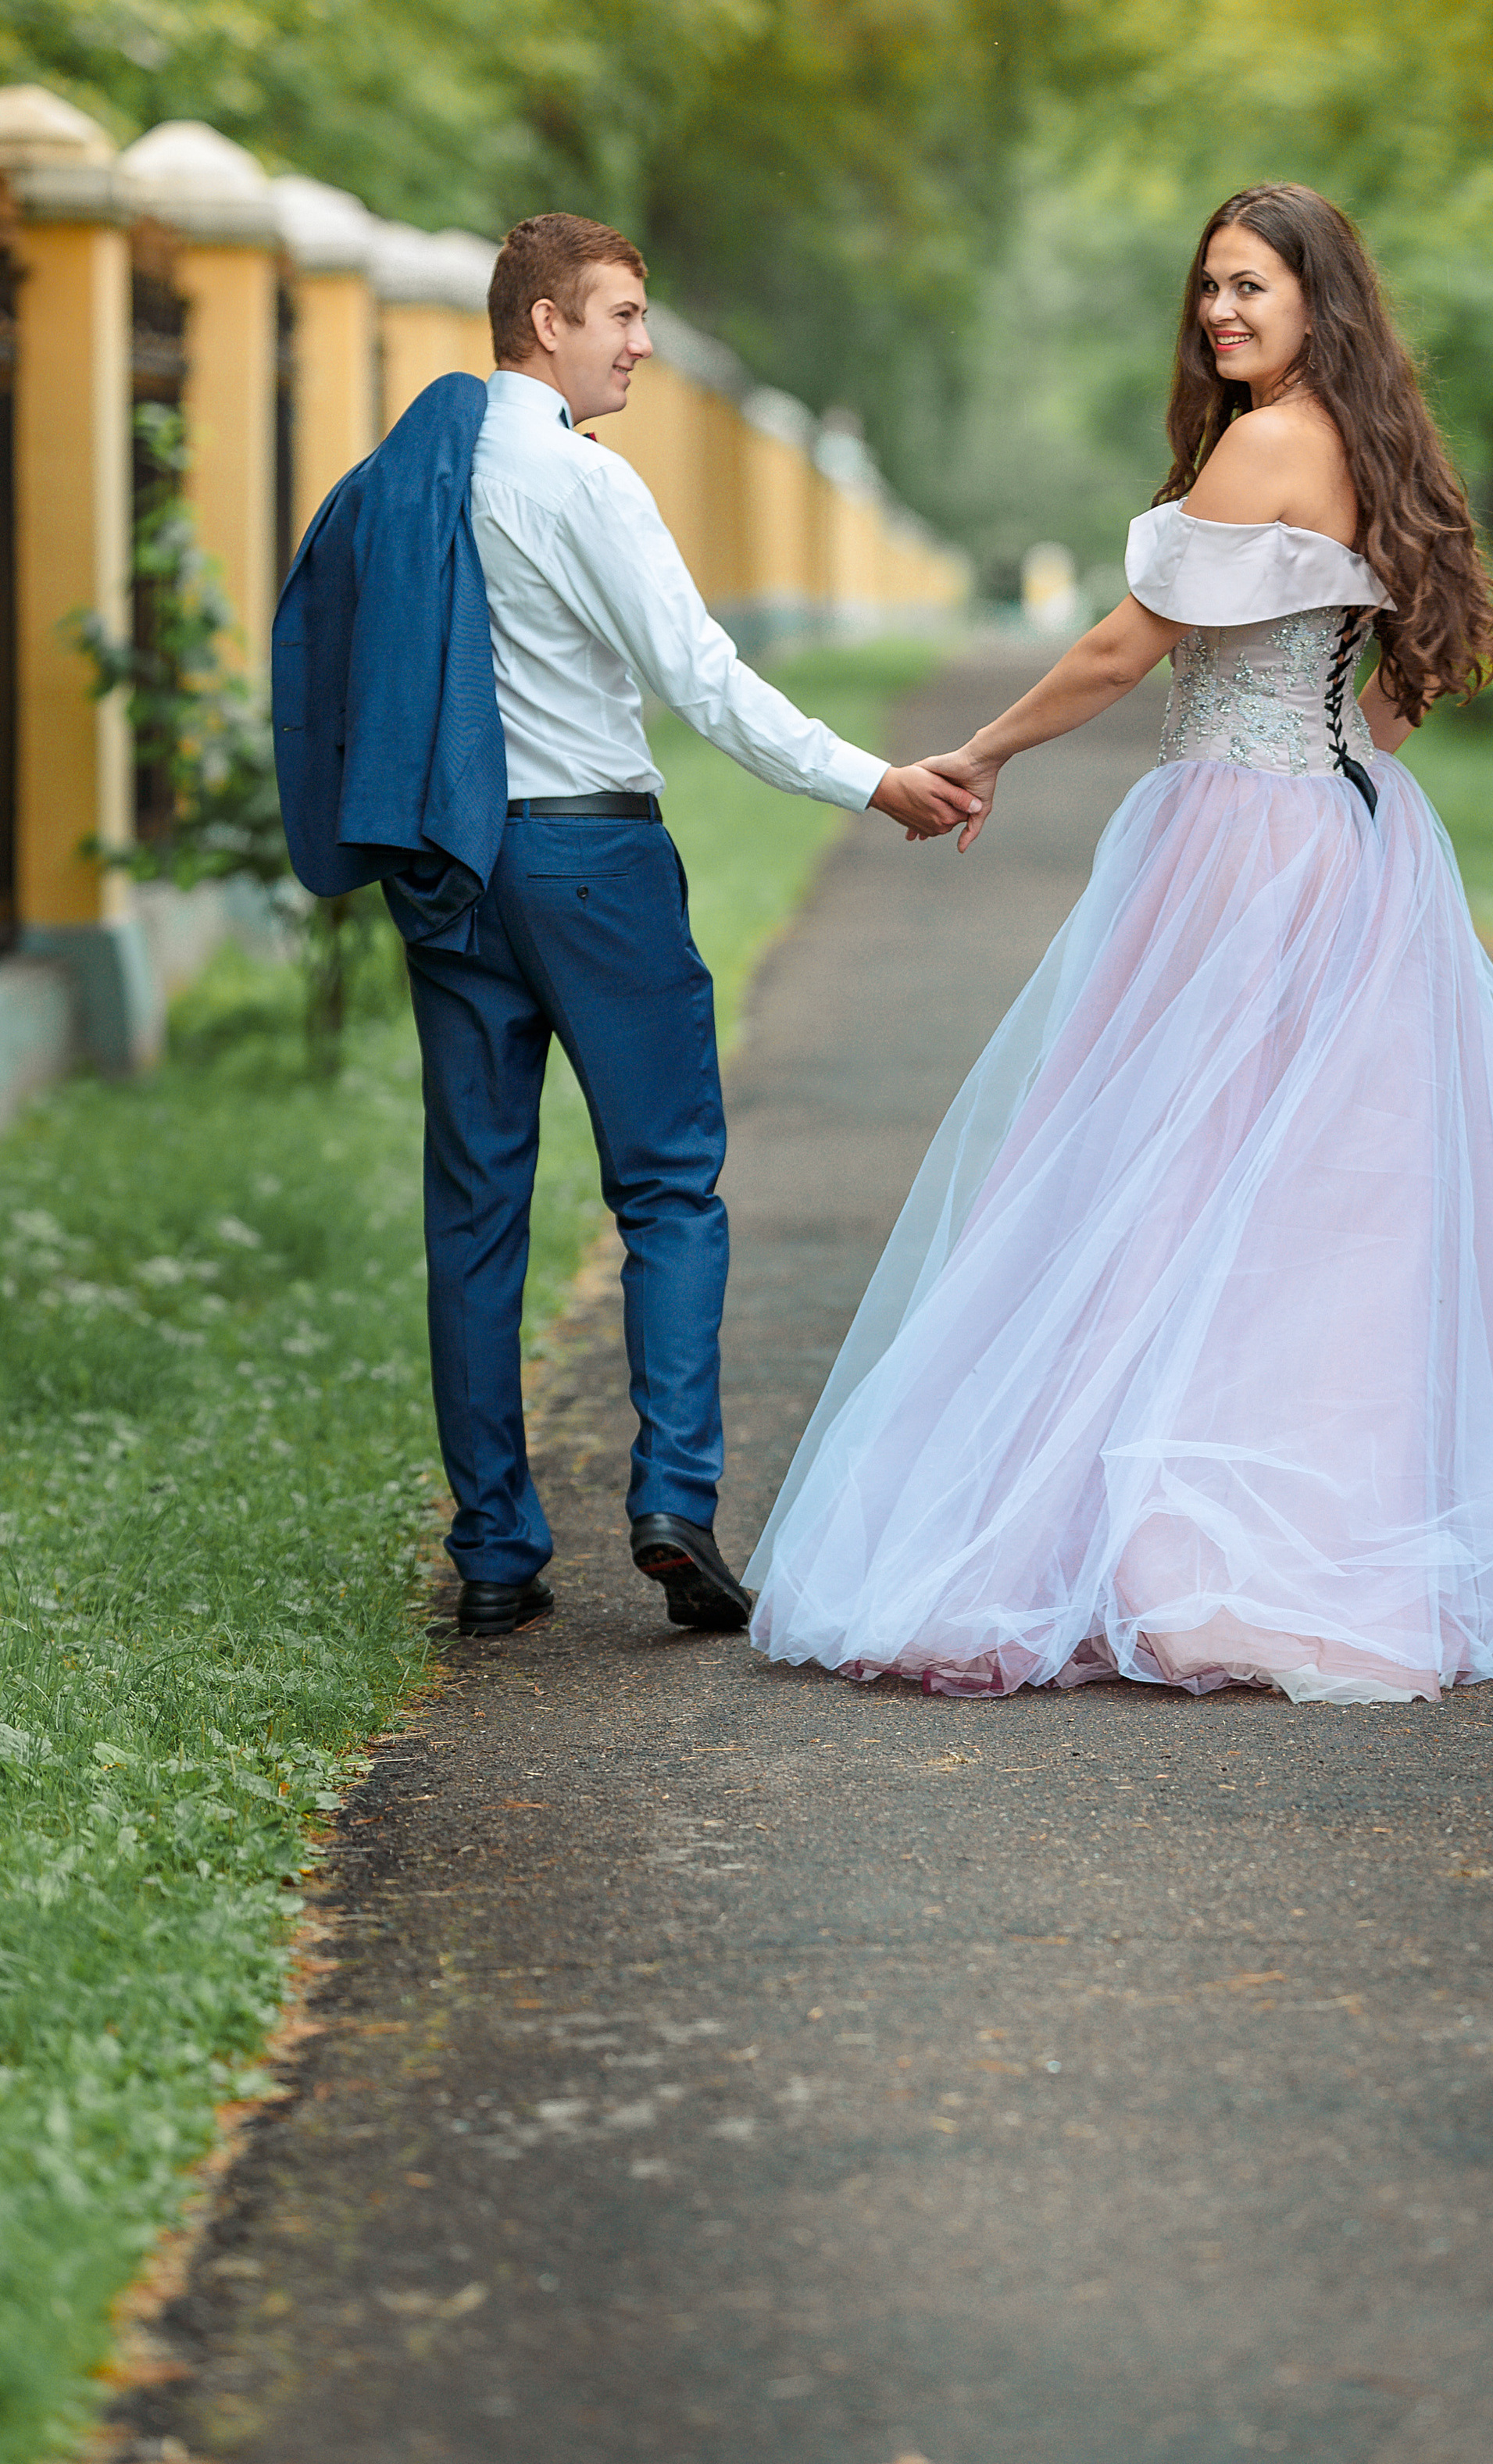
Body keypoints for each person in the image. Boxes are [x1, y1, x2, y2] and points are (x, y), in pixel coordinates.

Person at [746, 184, 1493, 1702]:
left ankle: (1176, 1539)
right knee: (1300, 1201)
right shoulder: (1370, 445)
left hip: (1237, 844)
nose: (1219, 310)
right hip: (1343, 837)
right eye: (1207, 285)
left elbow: (1121, 643)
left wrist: (985, 750)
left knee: (1164, 1171)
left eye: (1250, 286)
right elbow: (1396, 694)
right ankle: (1301, 1532)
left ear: (1317, 299)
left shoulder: (1267, 441)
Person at [278, 213, 976, 1642]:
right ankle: (672, 1501)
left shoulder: (408, 476)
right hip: (591, 862)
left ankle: (492, 1551)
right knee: (667, 1188)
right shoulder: (580, 483)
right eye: (620, 316)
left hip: (449, 868)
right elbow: (704, 682)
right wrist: (875, 780)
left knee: (473, 1214)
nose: (641, 344)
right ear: (545, 323)